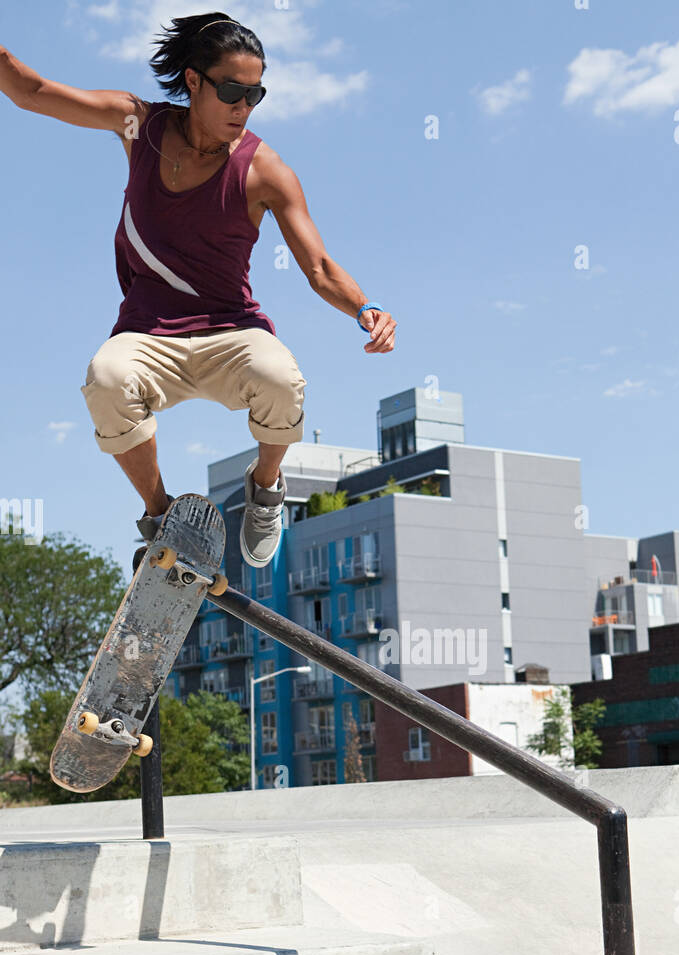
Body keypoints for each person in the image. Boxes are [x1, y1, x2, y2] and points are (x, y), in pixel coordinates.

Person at [0, 12, 396, 567]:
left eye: (255, 94)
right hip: (149, 332)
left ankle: (265, 488)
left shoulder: (264, 170)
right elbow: (30, 90)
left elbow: (320, 265)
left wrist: (366, 308)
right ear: (194, 81)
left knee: (281, 378)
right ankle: (163, 518)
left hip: (231, 331)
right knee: (107, 379)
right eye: (232, 91)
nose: (244, 107)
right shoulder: (138, 124)